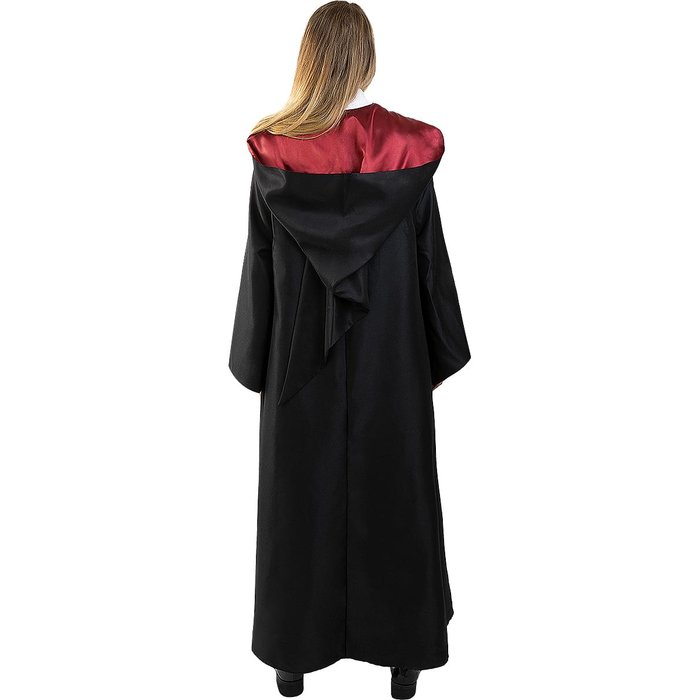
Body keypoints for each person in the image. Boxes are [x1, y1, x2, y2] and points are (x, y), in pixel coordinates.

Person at [228, 2, 471, 697]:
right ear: (363, 60)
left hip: (298, 371)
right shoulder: (408, 155)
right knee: (396, 494)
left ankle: (293, 657)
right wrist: (438, 351)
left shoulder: (275, 157)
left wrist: (254, 360)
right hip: (392, 364)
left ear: (310, 60)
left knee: (299, 502)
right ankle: (402, 658)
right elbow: (428, 262)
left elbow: (259, 267)